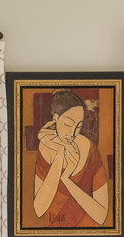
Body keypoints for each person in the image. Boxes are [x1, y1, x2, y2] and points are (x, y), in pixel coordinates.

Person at [32, 89, 109, 227]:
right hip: (54, 232)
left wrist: (67, 181)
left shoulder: (90, 151)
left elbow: (101, 216)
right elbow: (39, 209)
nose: (72, 133)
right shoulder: (45, 148)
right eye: (68, 123)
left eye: (78, 126)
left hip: (89, 232)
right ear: (55, 119)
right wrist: (59, 155)